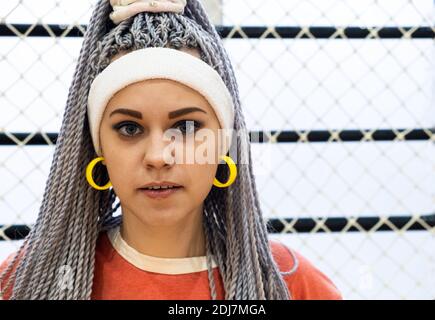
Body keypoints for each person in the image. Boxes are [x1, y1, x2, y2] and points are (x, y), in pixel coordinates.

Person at [0, 0, 342, 300]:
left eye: (186, 127)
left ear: (223, 143)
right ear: (97, 146)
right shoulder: (28, 281)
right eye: (129, 129)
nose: (159, 156)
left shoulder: (287, 284)